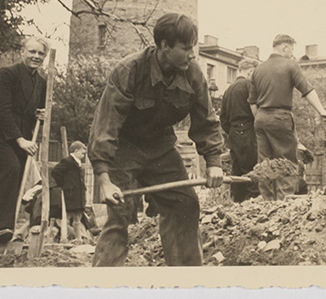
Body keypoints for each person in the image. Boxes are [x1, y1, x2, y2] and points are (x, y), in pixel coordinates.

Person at [88, 13, 224, 266]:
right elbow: (105, 127)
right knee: (120, 213)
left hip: (161, 148)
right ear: (164, 46)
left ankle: (186, 281)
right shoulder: (129, 71)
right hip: (123, 149)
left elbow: (206, 120)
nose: (192, 55)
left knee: (186, 203)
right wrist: (104, 180)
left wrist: (214, 161)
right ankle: (103, 283)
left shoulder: (193, 74)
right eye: (186, 48)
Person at [0, 36, 48, 250]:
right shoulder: (6, 75)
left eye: (41, 54)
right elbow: (2, 111)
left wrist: (42, 115)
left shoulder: (42, 82)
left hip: (21, 137)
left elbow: (35, 113)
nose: (36, 56)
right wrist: (20, 140)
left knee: (17, 176)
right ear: (22, 52)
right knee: (10, 168)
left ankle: (6, 230)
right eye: (32, 52)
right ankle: (0, 230)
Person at [248, 34, 326, 200]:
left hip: (260, 118)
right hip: (281, 117)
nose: (292, 54)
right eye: (291, 50)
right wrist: (321, 111)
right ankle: (284, 203)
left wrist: (261, 118)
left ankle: (267, 203)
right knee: (287, 161)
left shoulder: (258, 70)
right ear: (285, 47)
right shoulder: (290, 65)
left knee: (264, 163)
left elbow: (252, 102)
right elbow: (307, 90)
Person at [220, 59, 260, 202]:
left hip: (233, 134)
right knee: (253, 169)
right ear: (250, 71)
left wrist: (232, 131)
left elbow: (223, 118)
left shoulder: (228, 90)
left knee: (237, 170)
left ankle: (237, 203)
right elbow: (255, 109)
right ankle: (251, 204)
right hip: (248, 130)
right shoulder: (249, 85)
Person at [51, 141, 89, 241]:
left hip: (78, 195)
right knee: (66, 217)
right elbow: (55, 172)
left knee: (78, 218)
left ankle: (78, 238)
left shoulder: (77, 162)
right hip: (70, 194)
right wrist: (64, 185)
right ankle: (64, 238)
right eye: (82, 153)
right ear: (76, 151)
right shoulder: (67, 161)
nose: (83, 155)